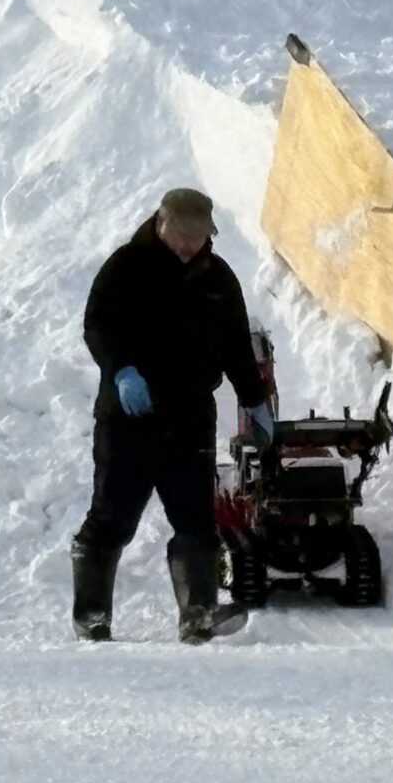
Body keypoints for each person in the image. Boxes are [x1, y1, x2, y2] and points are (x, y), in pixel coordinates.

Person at [75, 187, 274, 644]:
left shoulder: (218, 279)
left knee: (196, 522)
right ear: (160, 223)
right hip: (129, 416)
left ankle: (199, 614)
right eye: (182, 234)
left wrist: (255, 400)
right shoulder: (126, 268)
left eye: (199, 236)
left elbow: (236, 347)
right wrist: (121, 370)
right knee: (112, 517)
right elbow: (98, 326)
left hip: (190, 418)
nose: (189, 245)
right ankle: (91, 615)